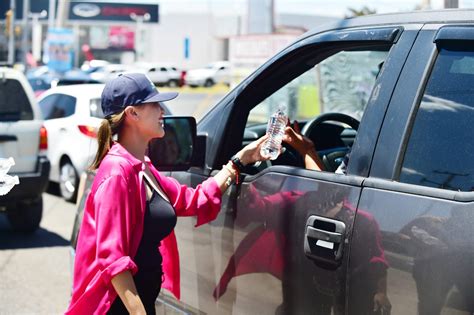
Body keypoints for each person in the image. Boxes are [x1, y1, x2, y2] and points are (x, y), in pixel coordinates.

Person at [65, 73, 269, 315]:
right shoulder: (117, 173)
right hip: (117, 308)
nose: (162, 110)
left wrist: (239, 160)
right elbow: (113, 260)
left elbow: (194, 199)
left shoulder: (143, 167)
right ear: (132, 113)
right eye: (155, 104)